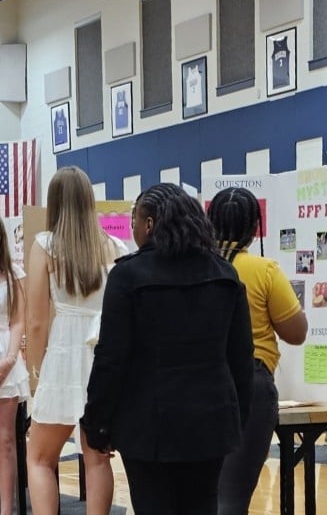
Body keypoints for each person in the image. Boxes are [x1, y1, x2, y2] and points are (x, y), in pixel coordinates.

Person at [81, 183, 254, 514]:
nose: (132, 228)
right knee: (203, 505)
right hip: (211, 422)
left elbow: (111, 360)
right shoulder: (224, 274)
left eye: (135, 219)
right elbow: (241, 359)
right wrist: (237, 420)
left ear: (148, 224)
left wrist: (97, 424)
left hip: (147, 426)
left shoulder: (127, 276)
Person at [25, 166, 127, 515]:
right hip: (104, 359)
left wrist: (36, 371)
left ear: (54, 203)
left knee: (39, 457)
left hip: (63, 358)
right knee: (97, 457)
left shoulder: (45, 245)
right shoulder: (116, 246)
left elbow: (37, 321)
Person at [206, 186, 308, 514]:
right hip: (251, 383)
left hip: (196, 381)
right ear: (255, 228)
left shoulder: (194, 267)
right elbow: (296, 333)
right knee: (232, 497)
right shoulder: (264, 270)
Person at [0, 222, 28, 515]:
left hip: (6, 357)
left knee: (5, 440)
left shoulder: (14, 274)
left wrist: (9, 360)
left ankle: (5, 509)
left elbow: (19, 320)